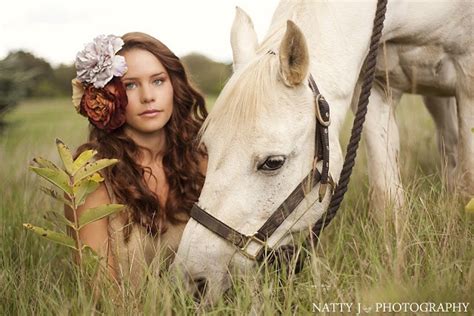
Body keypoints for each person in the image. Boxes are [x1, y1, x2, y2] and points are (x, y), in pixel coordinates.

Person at [66, 32, 208, 287]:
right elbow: (100, 294)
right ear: (108, 96)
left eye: (158, 81)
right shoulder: (92, 176)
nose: (148, 96)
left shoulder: (200, 159)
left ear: (174, 85)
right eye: (130, 85)